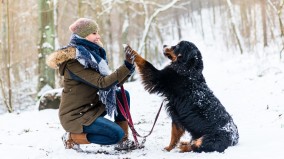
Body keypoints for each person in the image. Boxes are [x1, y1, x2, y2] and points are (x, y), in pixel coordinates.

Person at [46, 18, 136, 151]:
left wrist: (129, 68)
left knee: (122, 95)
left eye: (97, 32)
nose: (98, 36)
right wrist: (126, 67)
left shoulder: (92, 56)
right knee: (115, 134)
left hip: (91, 108)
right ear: (83, 35)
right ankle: (72, 137)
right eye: (94, 33)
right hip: (76, 116)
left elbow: (111, 84)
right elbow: (103, 83)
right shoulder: (74, 62)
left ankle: (122, 142)